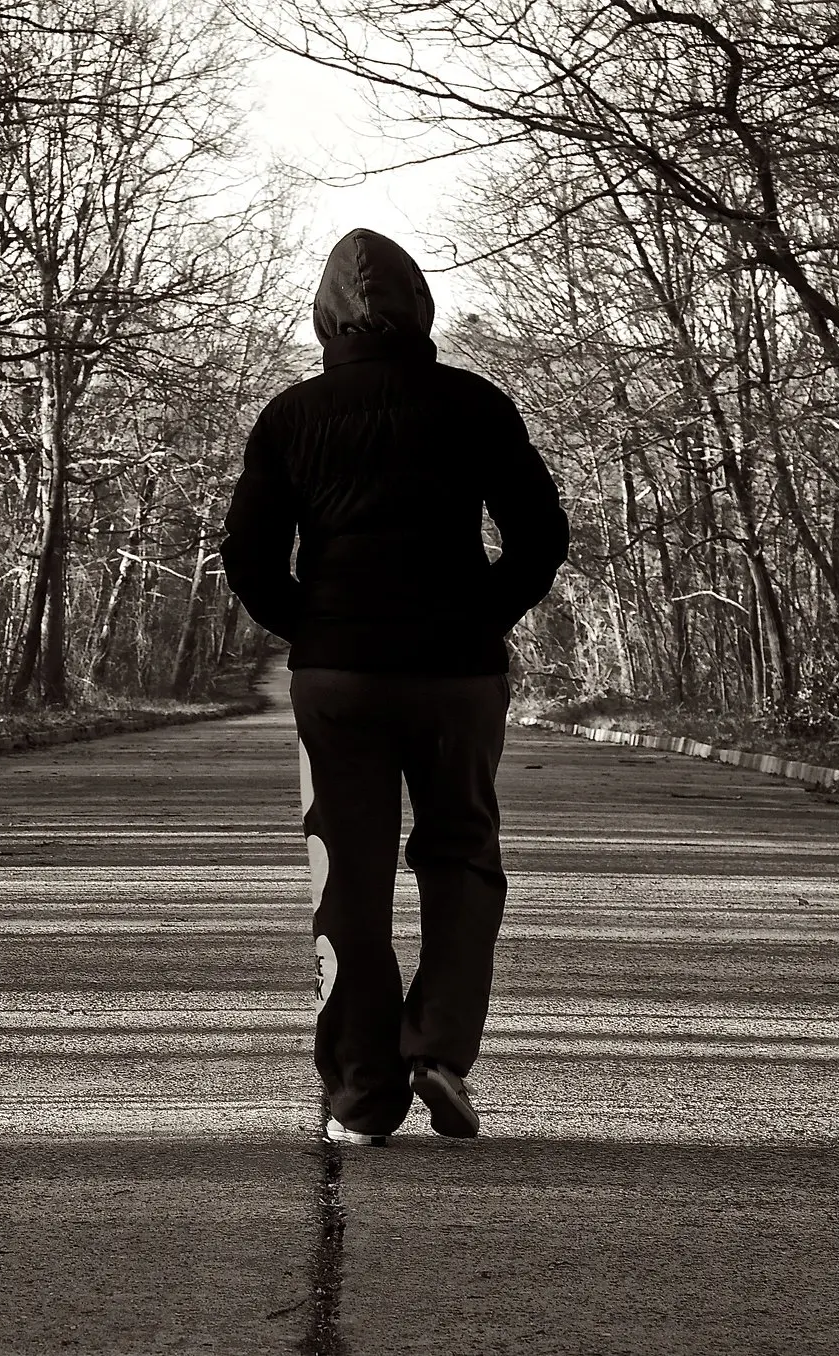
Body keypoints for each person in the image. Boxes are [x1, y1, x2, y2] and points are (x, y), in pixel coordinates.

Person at [221, 228, 569, 1146]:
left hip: (338, 678)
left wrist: (319, 628)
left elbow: (249, 560)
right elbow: (539, 537)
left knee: (348, 874)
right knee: (460, 855)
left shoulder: (290, 416)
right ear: (422, 312)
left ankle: (362, 1098)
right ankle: (440, 1054)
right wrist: (476, 615)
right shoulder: (475, 404)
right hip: (456, 673)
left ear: (324, 318)